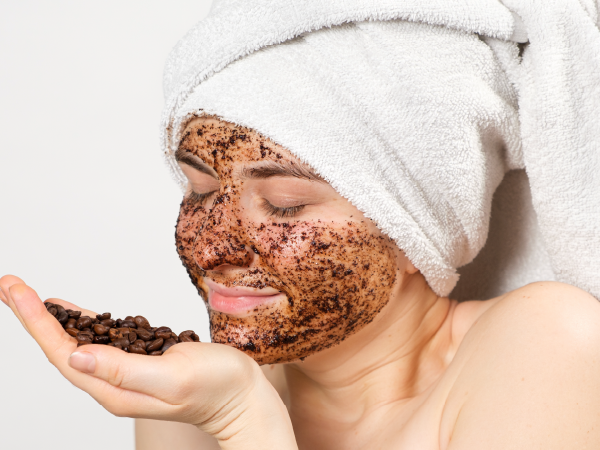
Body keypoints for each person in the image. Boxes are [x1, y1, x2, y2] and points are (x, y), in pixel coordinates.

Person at [2, 0, 600, 448]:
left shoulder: (551, 343)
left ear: (416, 231)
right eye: (200, 189)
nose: (215, 246)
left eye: (285, 204)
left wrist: (243, 421)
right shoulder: (190, 399)